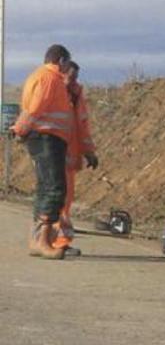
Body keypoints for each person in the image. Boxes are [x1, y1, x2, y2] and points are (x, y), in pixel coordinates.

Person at [9, 44, 74, 260]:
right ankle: (44, 241)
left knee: (45, 188)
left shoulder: (38, 76)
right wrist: (20, 129)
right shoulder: (50, 79)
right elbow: (35, 108)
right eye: (67, 63)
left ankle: (37, 240)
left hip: (45, 138)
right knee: (55, 189)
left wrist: (22, 130)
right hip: (47, 138)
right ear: (61, 60)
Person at [52, 60, 99, 255]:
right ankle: (59, 242)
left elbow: (82, 128)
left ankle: (55, 240)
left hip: (68, 158)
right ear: (61, 74)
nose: (73, 82)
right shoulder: (55, 95)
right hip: (55, 158)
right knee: (58, 201)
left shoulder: (75, 96)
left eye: (75, 78)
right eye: (71, 77)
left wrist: (89, 152)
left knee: (65, 200)